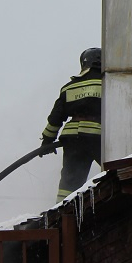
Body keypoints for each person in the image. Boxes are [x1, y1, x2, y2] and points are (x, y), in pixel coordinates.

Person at [40, 47, 103, 201]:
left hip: (72, 138)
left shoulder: (69, 87)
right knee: (114, 172)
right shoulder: (110, 82)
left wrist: (47, 141)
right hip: (98, 136)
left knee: (69, 182)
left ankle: (62, 213)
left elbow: (55, 118)